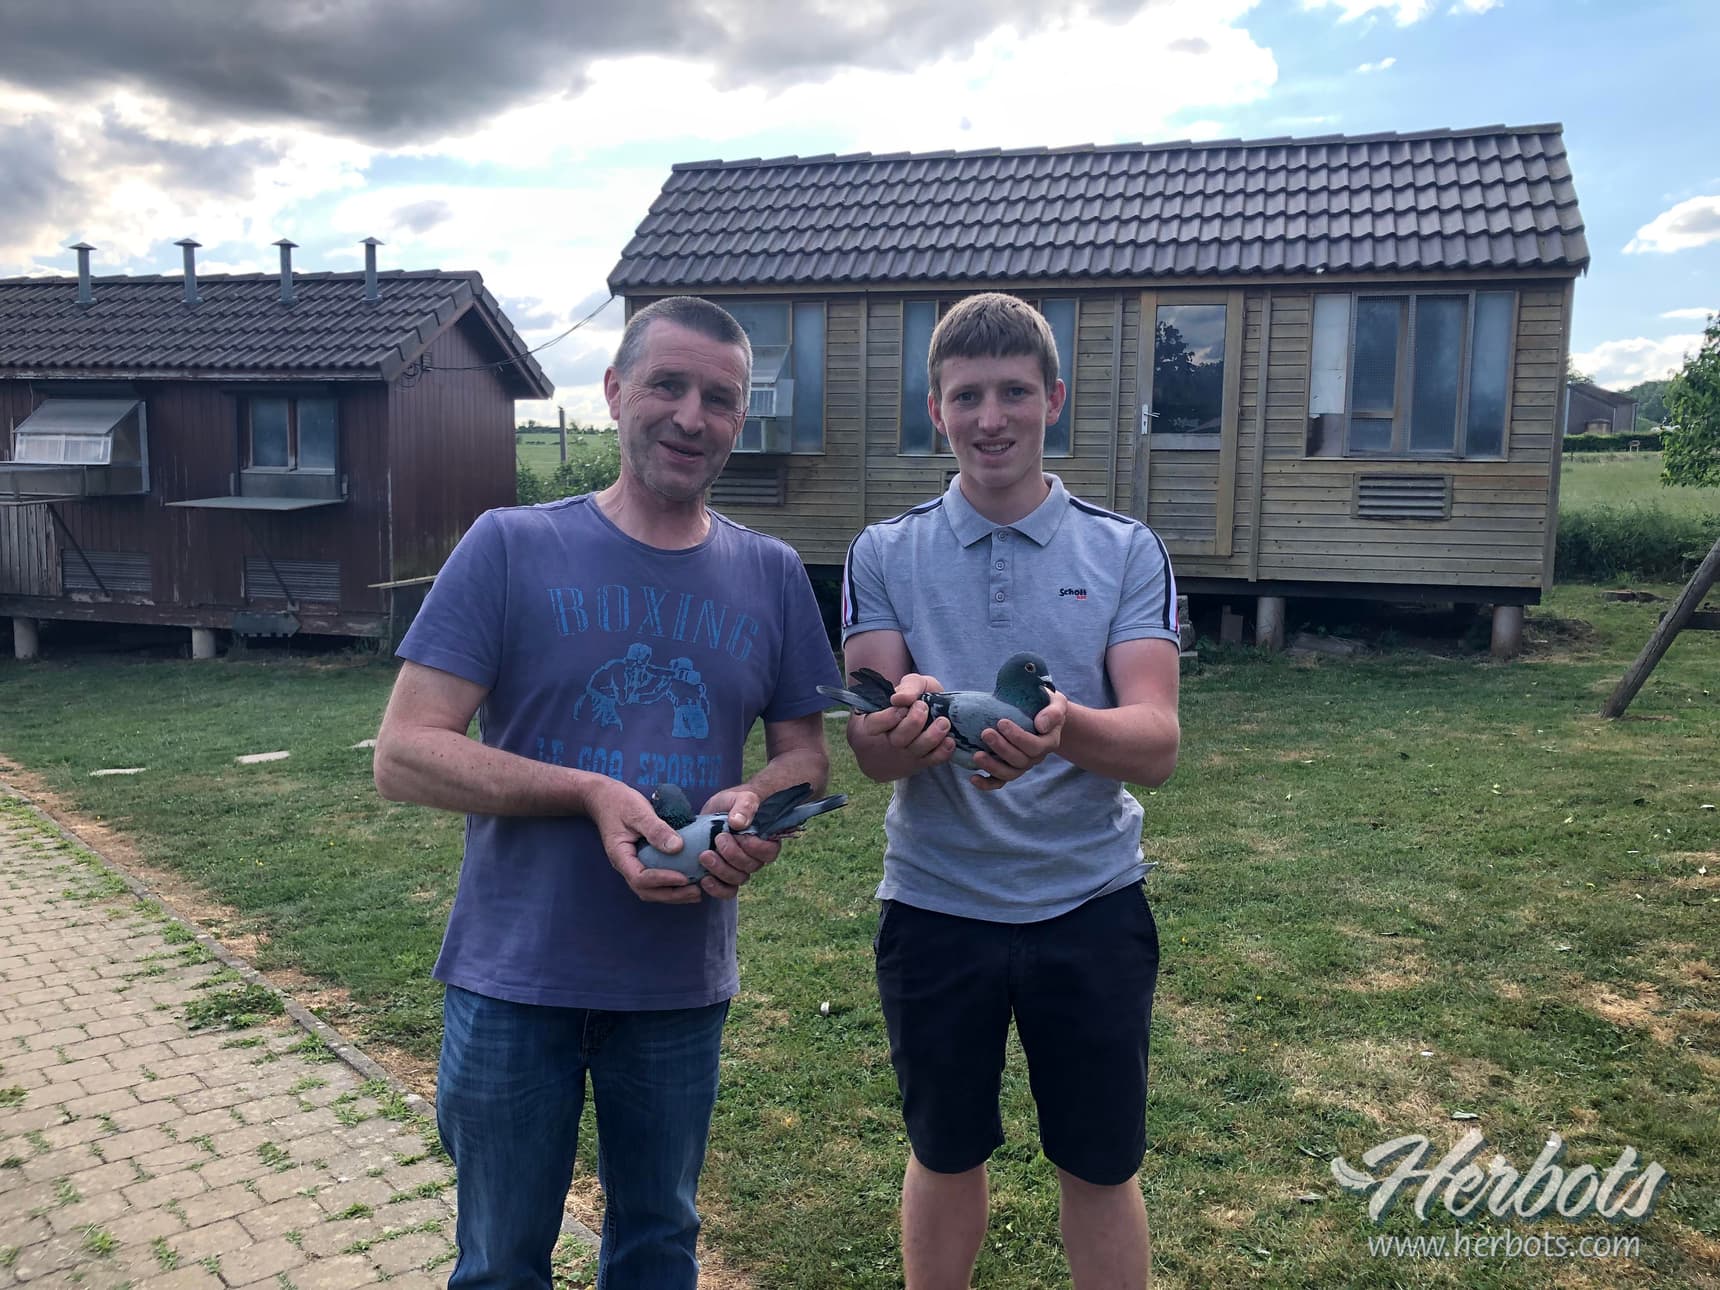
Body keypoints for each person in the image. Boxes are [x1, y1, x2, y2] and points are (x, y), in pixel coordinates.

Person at [373, 295, 839, 1289]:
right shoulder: (509, 545)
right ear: (616, 391)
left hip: (674, 987)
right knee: (499, 1263)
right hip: (512, 980)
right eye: (666, 385)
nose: (691, 416)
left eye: (720, 398)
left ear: (739, 420)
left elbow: (804, 755)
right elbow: (404, 753)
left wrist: (757, 808)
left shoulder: (770, 573)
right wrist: (587, 790)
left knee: (658, 1248)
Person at [839, 292, 1182, 1289]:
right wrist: (899, 720)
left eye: (1014, 392)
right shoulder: (884, 553)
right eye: (967, 395)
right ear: (935, 410)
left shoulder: (1123, 549)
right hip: (937, 905)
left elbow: (1155, 742)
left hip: (1090, 905)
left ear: (1054, 401)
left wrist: (1064, 728)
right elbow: (869, 750)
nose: (991, 416)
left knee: (1100, 1161)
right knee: (945, 1152)